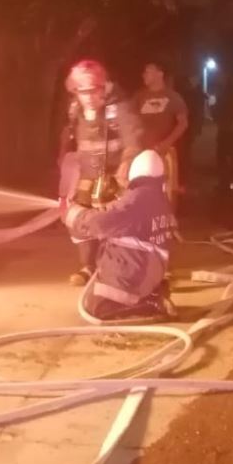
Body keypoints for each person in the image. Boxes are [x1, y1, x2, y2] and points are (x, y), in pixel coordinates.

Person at [63, 149, 178, 321]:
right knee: (99, 295)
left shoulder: (137, 199)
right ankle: (152, 295)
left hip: (133, 273)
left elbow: (100, 224)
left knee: (96, 307)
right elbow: (123, 216)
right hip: (149, 270)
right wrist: (105, 208)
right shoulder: (158, 198)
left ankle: (150, 304)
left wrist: (74, 214)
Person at [58, 59, 142, 287]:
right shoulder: (75, 109)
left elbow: (133, 139)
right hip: (88, 175)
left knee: (115, 221)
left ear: (103, 88)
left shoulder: (120, 109)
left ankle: (119, 267)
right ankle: (88, 267)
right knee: (77, 218)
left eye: (93, 91)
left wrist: (125, 166)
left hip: (115, 176)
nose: (88, 98)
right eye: (82, 92)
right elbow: (69, 137)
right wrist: (64, 159)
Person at [134, 61, 188, 200]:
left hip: (164, 153)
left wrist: (166, 143)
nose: (143, 75)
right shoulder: (139, 97)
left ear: (160, 74)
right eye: (144, 72)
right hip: (141, 154)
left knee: (166, 194)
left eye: (148, 71)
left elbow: (183, 124)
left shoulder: (173, 97)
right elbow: (129, 122)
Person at [212, 68, 233, 191]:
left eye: (222, 76)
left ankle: (229, 181)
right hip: (228, 125)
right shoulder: (227, 90)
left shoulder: (229, 91)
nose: (220, 78)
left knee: (226, 154)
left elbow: (224, 107)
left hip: (229, 125)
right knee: (228, 154)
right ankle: (229, 180)